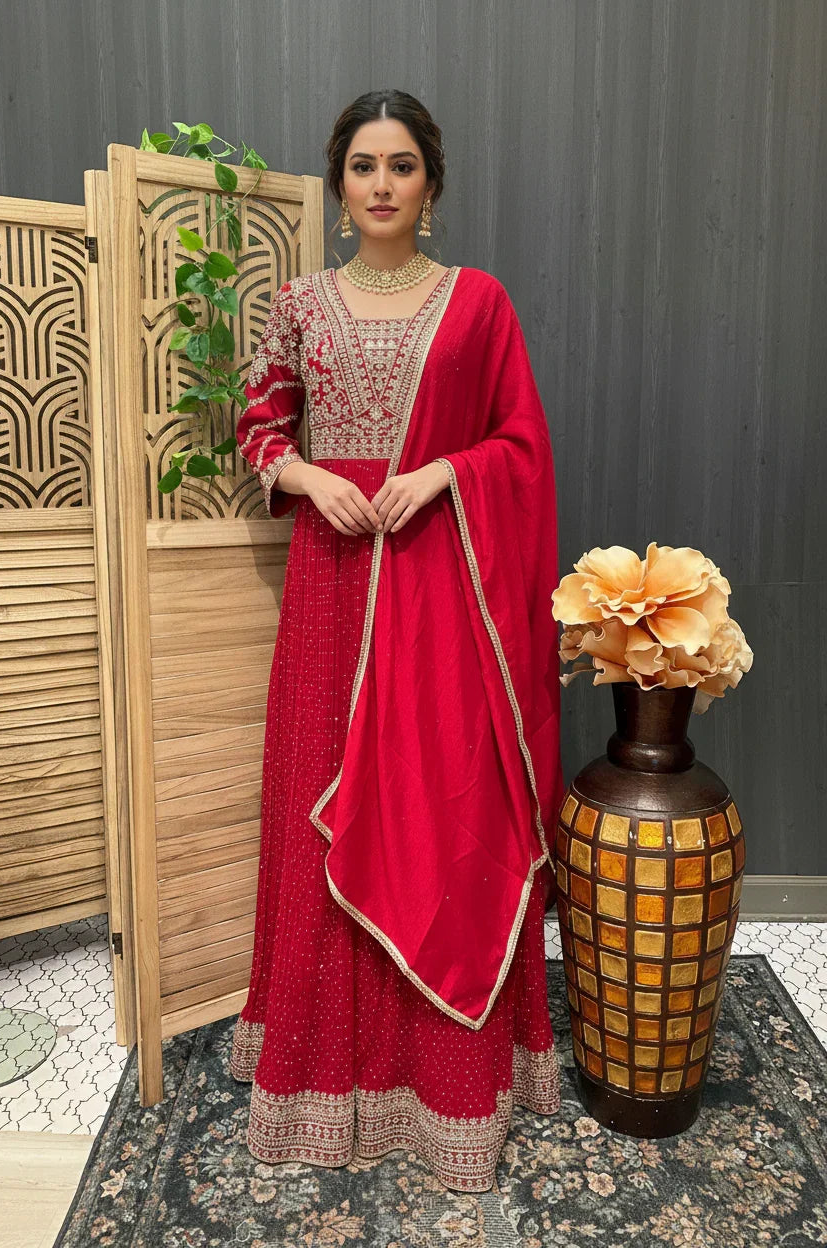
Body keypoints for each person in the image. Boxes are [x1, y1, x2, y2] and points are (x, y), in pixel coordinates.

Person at [229, 88, 565, 1194]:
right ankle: (324, 1090)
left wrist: (446, 472)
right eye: (363, 166)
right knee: (326, 821)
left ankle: (453, 1092)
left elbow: (519, 443)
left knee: (438, 813)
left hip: (441, 587)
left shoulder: (478, 305)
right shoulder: (299, 304)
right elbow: (259, 423)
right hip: (334, 590)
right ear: (338, 186)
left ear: (433, 183)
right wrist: (310, 472)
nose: (381, 184)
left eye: (403, 166)